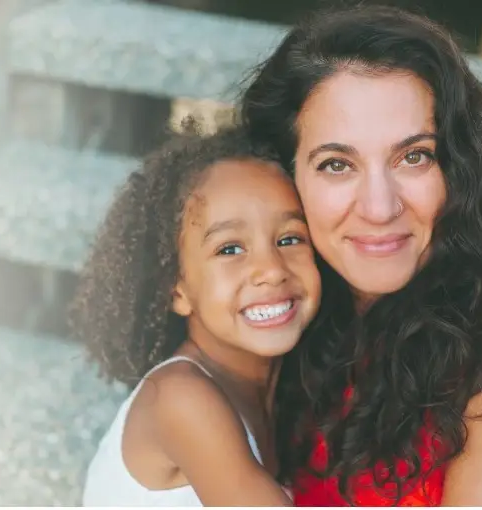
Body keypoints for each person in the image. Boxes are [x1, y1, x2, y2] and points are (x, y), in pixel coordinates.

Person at [237, 5, 482, 506]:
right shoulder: (293, 317)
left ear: (458, 165)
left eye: (414, 156)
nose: (379, 207)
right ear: (285, 177)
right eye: (336, 164)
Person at [73, 124, 319, 506]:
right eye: (230, 249)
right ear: (177, 289)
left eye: (289, 239)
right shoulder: (181, 398)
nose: (272, 268)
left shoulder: (279, 387)